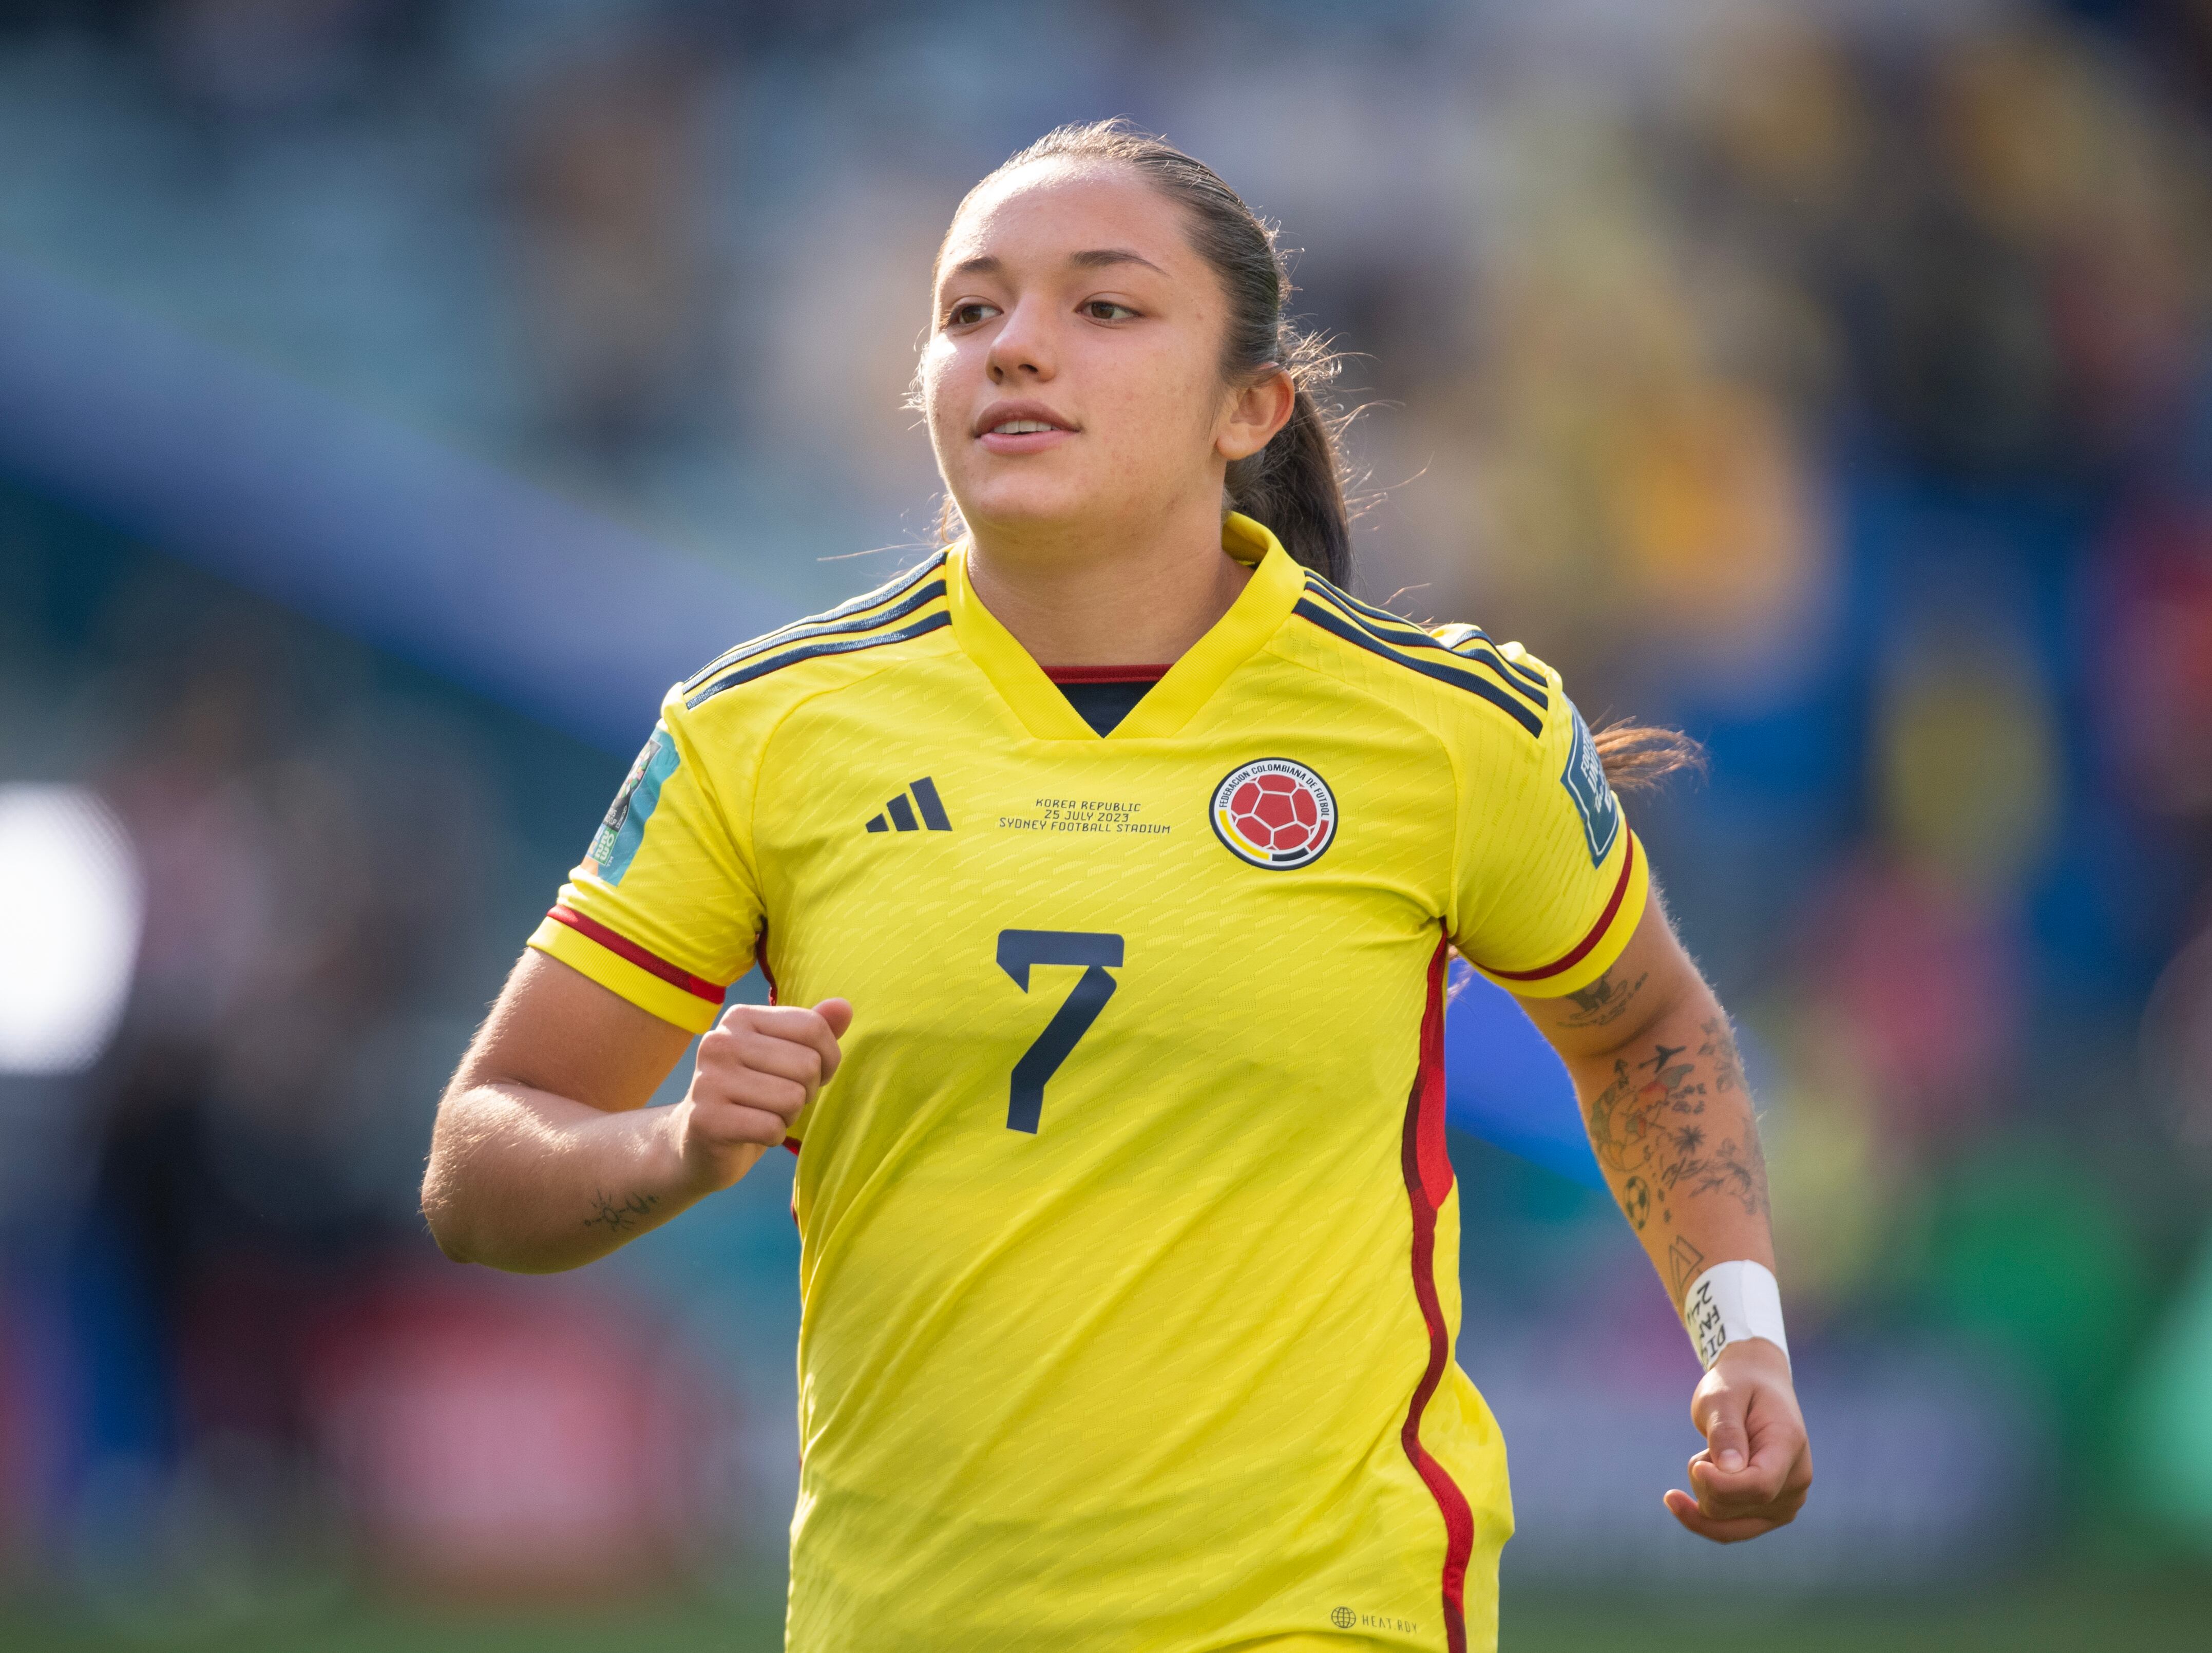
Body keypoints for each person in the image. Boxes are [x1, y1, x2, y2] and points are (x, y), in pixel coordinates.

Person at [421, 121, 1811, 1653]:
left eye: (1102, 307)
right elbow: (480, 1168)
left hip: (1323, 1614)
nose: (1018, 348)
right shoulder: (760, 731)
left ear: (1250, 406)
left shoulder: (1447, 727)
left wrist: (1736, 1335)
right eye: (971, 311)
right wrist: (676, 1142)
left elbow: (1643, 1028)